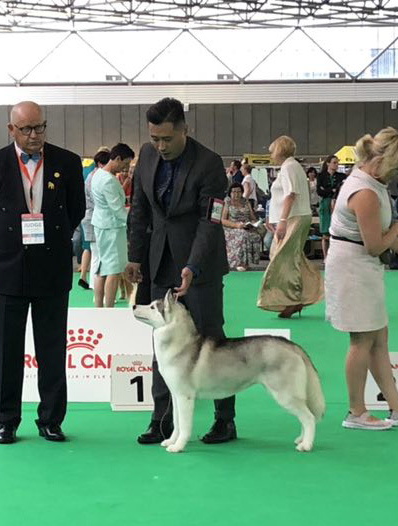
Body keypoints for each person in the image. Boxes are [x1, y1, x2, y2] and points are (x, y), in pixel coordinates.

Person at [0, 101, 85, 445]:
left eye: (40, 127)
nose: (35, 135)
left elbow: (76, 210)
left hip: (52, 268)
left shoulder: (67, 162)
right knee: (6, 350)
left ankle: (51, 419)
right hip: (7, 269)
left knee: (53, 348)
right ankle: (6, 420)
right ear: (12, 130)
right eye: (26, 129)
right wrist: (7, 241)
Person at [126, 97, 235, 446]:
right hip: (159, 262)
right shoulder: (146, 156)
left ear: (185, 130)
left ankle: (224, 420)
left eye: (167, 139)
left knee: (212, 341)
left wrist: (192, 265)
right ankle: (161, 420)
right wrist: (134, 257)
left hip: (200, 266)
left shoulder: (209, 163)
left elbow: (210, 221)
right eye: (155, 138)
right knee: (162, 342)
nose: (160, 146)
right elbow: (139, 209)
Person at [325, 127, 398, 430]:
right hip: (353, 267)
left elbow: (378, 236)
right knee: (361, 341)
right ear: (381, 160)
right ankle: (356, 412)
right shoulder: (365, 192)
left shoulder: (373, 182)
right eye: (397, 167)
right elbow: (374, 244)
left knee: (379, 338)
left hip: (364, 265)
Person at [258, 136, 323, 318]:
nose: (271, 155)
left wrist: (283, 221)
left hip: (294, 217)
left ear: (279, 150)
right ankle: (299, 296)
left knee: (283, 259)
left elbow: (290, 195)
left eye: (272, 151)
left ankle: (292, 299)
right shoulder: (292, 166)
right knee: (291, 258)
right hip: (297, 216)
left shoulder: (288, 167)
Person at [91, 143, 134, 308]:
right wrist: (133, 220)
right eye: (125, 163)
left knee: (102, 269)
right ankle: (109, 309)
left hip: (101, 224)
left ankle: (99, 308)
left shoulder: (98, 174)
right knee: (113, 270)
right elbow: (117, 209)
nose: (126, 168)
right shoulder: (109, 181)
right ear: (117, 159)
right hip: (112, 228)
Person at [80, 149, 110, 290]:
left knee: (96, 254)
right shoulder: (96, 177)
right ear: (100, 164)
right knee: (98, 255)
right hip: (93, 218)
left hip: (90, 218)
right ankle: (96, 287)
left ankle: (94, 285)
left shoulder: (92, 176)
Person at [222, 183, 262, 272]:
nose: (236, 194)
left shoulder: (246, 202)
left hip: (246, 226)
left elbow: (252, 217)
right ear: (230, 193)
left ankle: (247, 262)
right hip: (232, 227)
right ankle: (239, 262)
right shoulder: (227, 202)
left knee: (256, 235)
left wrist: (253, 223)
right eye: (234, 192)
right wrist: (236, 225)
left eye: (239, 192)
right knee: (243, 234)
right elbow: (223, 220)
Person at [317, 155, 340, 260]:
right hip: (325, 204)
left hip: (337, 203)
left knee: (336, 230)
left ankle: (335, 256)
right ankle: (326, 257)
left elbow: (340, 189)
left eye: (337, 163)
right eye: (334, 162)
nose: (336, 165)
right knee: (325, 232)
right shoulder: (321, 176)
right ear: (328, 163)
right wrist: (332, 190)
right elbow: (319, 191)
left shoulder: (341, 176)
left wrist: (327, 190)